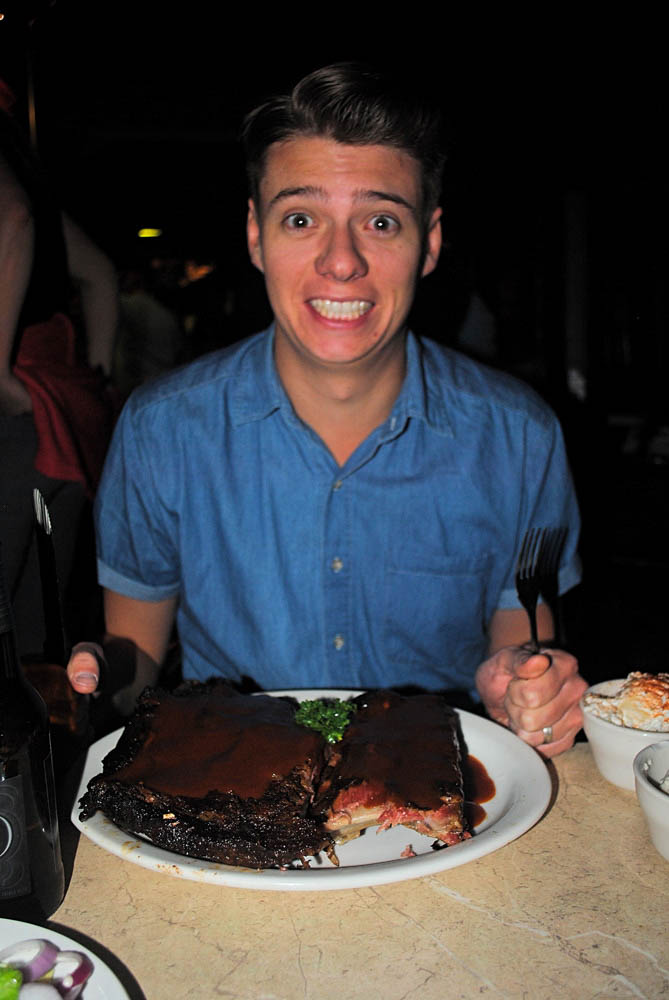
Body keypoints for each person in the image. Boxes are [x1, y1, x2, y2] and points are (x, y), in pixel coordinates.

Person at [67, 63, 587, 757]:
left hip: (437, 796)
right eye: (301, 218)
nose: (340, 261)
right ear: (256, 235)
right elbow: (134, 667)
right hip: (233, 798)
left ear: (427, 242)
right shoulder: (161, 428)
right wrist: (99, 679)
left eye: (379, 220)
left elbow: (525, 644)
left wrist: (527, 688)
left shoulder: (520, 436)